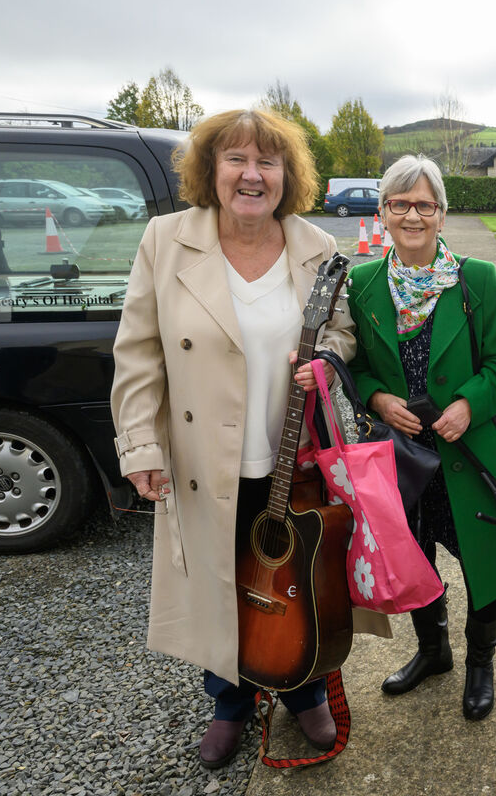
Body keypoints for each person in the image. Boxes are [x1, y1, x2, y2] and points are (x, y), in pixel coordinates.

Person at [110, 109, 362, 768]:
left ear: (287, 175)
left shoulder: (316, 248)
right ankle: (229, 700)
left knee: (296, 581)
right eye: (236, 160)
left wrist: (325, 358)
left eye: (268, 162)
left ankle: (303, 689)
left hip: (290, 459)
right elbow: (138, 354)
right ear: (210, 169)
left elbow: (343, 333)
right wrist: (140, 446)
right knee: (222, 584)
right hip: (202, 461)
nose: (252, 175)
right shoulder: (166, 242)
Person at [345, 154, 496, 721]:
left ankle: (479, 666)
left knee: (480, 564)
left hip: (466, 452)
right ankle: (434, 650)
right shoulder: (363, 282)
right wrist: (377, 398)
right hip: (403, 456)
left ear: (441, 215)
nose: (413, 215)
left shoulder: (477, 279)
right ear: (383, 213)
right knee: (413, 557)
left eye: (425, 204)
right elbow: (357, 366)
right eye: (401, 204)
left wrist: (470, 403)